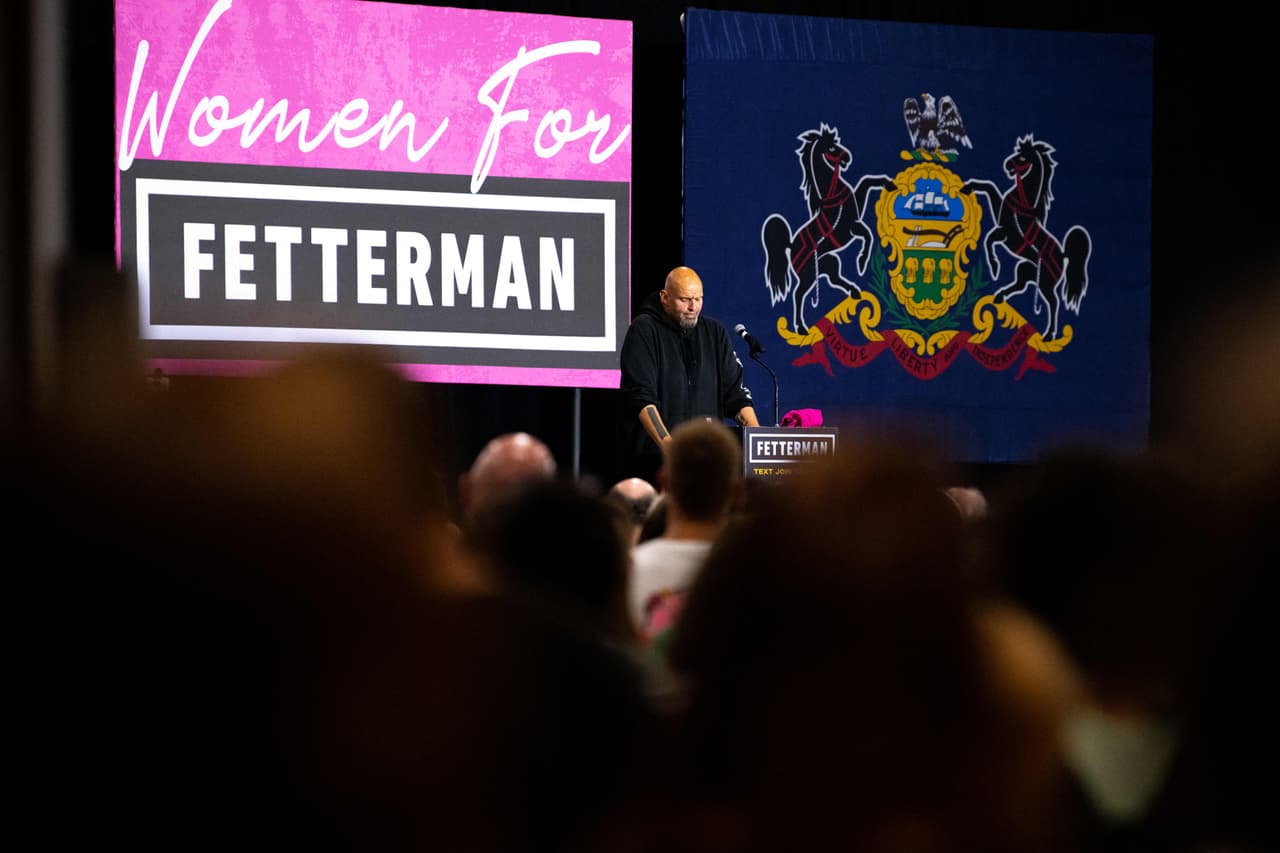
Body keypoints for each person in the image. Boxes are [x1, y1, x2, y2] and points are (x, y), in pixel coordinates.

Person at [620, 265, 759, 484]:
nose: (693, 307)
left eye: (698, 299)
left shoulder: (715, 333)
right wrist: (671, 449)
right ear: (665, 297)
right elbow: (640, 397)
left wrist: (758, 442)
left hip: (708, 462)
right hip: (655, 461)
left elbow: (735, 395)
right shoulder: (644, 330)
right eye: (685, 300)